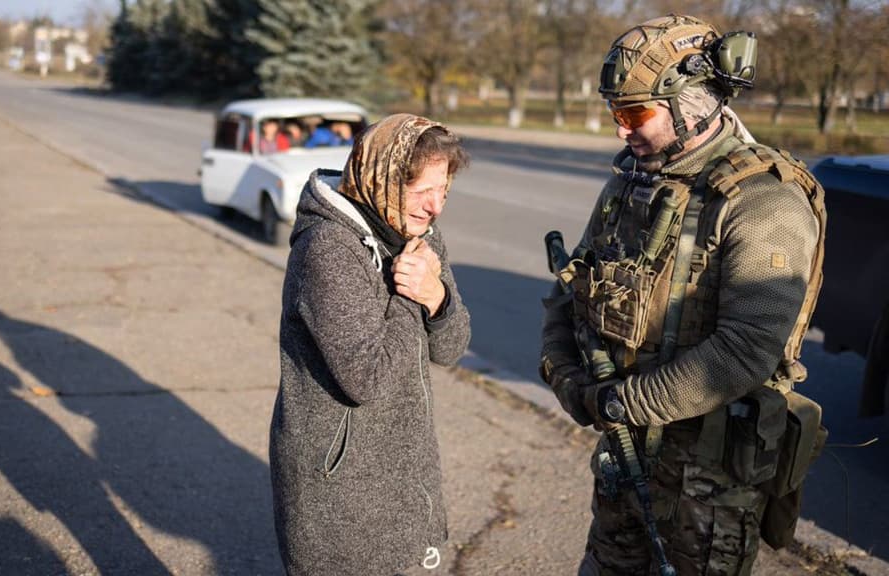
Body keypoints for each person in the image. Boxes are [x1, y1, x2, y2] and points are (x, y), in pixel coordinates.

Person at [539, 14, 826, 575]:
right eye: (615, 113)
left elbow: (746, 350)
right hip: (624, 458)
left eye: (633, 114)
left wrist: (621, 403)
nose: (621, 131)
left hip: (709, 487)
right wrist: (563, 371)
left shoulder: (763, 201)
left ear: (688, 106)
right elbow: (572, 286)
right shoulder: (631, 182)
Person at [270, 114, 471, 576]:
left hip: (404, 476)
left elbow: (452, 348)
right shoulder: (327, 248)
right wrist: (408, 295)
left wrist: (436, 298)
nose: (435, 206)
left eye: (443, 190)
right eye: (422, 191)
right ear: (380, 177)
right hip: (337, 491)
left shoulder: (418, 235)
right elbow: (368, 377)